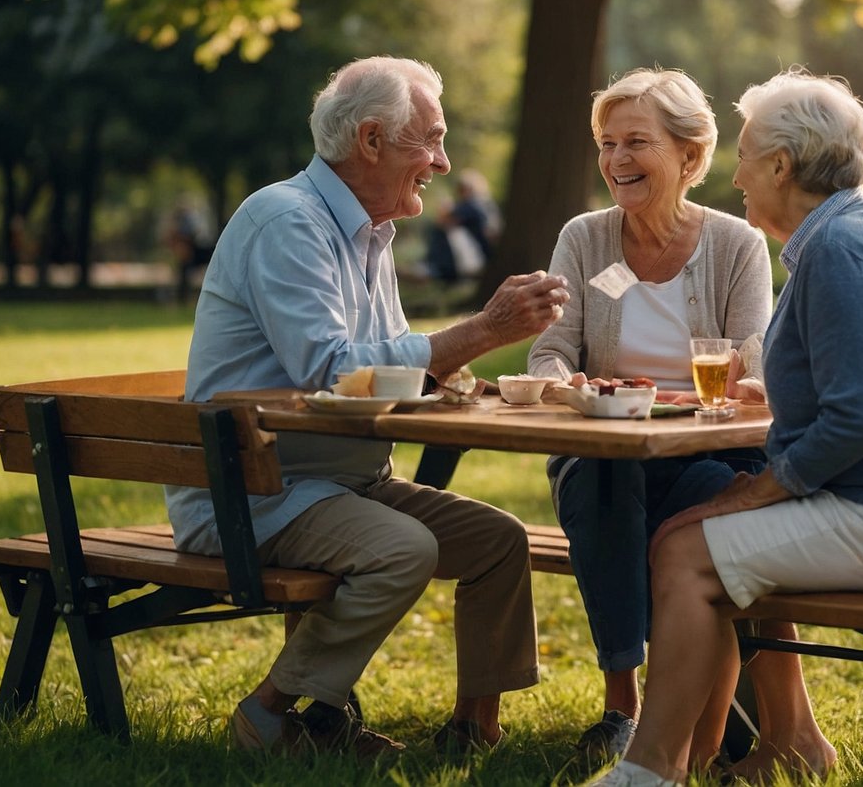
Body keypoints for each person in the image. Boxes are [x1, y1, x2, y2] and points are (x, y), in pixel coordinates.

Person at [591, 68, 863, 787]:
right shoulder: (856, 230)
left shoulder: (840, 251)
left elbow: (858, 419)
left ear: (782, 164)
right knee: (689, 540)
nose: (737, 177)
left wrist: (764, 490)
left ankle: (649, 773)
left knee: (683, 553)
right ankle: (763, 746)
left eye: (745, 157)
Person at [166, 56, 570, 759]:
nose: (442, 163)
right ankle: (270, 714)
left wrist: (446, 371)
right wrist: (483, 330)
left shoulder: (368, 233)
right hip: (256, 491)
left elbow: (379, 363)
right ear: (373, 141)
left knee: (499, 540)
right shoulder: (285, 221)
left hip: (342, 482)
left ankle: (472, 732)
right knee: (403, 548)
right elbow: (330, 370)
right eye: (432, 140)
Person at [526, 68, 773, 765]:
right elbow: (549, 351)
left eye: (637, 142)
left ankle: (691, 722)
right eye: (607, 144)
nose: (616, 161)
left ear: (690, 157)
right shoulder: (587, 239)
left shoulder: (735, 245)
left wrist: (701, 397)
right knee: (603, 482)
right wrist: (563, 383)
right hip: (605, 442)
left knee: (697, 507)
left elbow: (754, 367)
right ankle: (623, 704)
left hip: (710, 450)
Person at [420, 168, 502, 282]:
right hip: (482, 256)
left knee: (445, 231)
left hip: (475, 258)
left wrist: (445, 207)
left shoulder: (471, 206)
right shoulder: (487, 205)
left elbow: (442, 220)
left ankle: (434, 266)